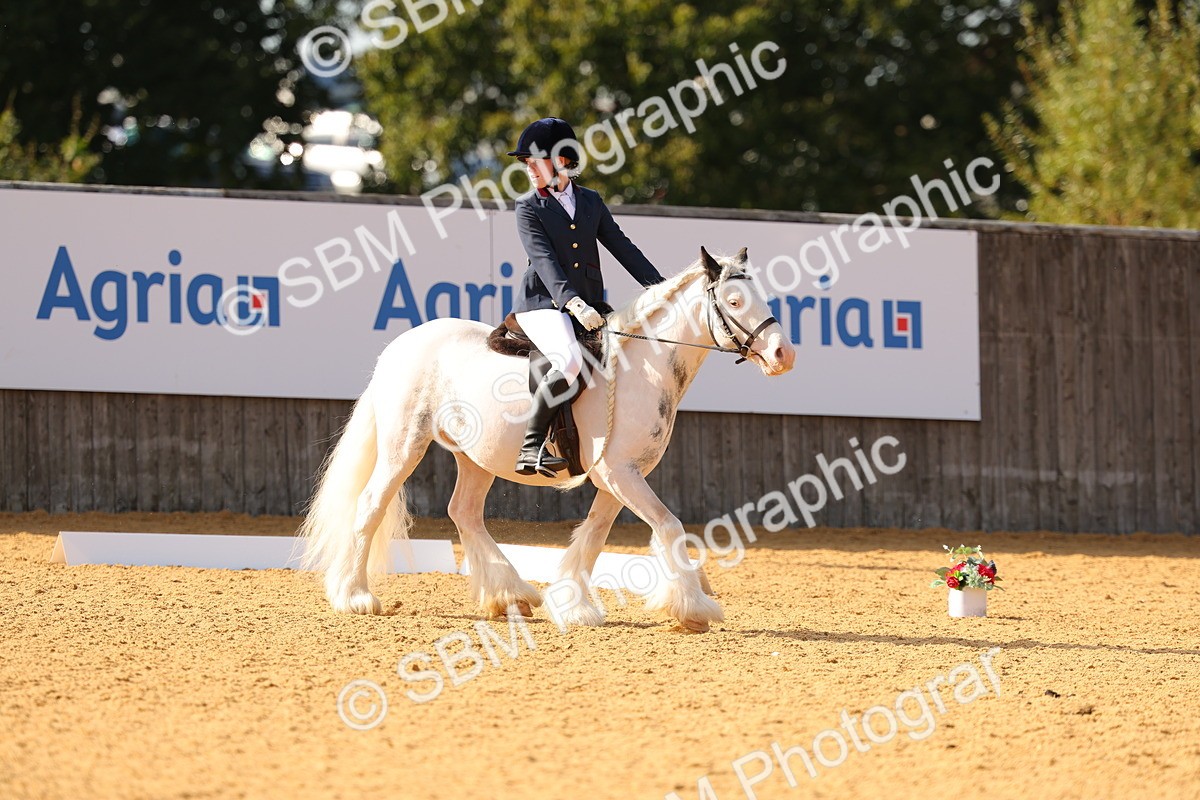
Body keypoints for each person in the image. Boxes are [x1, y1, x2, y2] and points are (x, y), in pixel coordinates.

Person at [508, 117, 665, 477]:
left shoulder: (591, 201)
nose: (528, 168)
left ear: (561, 160)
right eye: (526, 162)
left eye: (535, 160)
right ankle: (531, 447)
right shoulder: (528, 207)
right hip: (543, 304)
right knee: (568, 361)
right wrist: (573, 303)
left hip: (589, 304)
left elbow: (622, 247)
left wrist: (660, 289)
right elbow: (544, 260)